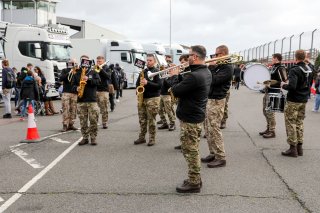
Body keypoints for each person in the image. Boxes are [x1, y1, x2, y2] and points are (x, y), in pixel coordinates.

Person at [168, 45, 211, 193]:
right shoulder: (205, 72)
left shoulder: (194, 76)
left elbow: (175, 90)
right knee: (192, 148)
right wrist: (180, 74)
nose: (188, 57)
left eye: (190, 55)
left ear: (196, 57)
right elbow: (187, 86)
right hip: (195, 115)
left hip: (190, 117)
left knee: (190, 150)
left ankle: (194, 182)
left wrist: (173, 75)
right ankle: (195, 179)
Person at [202, 45, 233, 168]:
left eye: (217, 54)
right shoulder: (219, 66)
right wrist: (212, 66)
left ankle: (221, 157)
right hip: (210, 99)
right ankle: (212, 153)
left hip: (217, 100)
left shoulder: (228, 67)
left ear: (223, 54)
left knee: (215, 128)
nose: (214, 56)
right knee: (208, 128)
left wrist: (211, 66)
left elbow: (213, 80)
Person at [280, 50, 313, 157]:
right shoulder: (309, 69)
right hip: (303, 100)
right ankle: (300, 148)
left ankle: (292, 148)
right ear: (304, 57)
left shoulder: (295, 70)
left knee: (290, 123)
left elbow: (292, 86)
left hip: (293, 100)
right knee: (299, 123)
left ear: (296, 57)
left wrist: (283, 85)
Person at [134, 54, 162, 146]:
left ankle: (152, 138)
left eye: (150, 60)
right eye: (147, 60)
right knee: (142, 120)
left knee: (151, 120)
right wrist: (138, 88)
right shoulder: (143, 71)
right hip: (143, 98)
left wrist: (147, 83)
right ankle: (142, 137)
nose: (148, 62)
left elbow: (159, 86)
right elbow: (137, 83)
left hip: (153, 98)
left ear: (154, 62)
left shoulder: (157, 72)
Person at [74, 55, 101, 146]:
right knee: (83, 121)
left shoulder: (93, 71)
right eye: (83, 61)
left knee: (93, 120)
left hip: (91, 100)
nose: (84, 62)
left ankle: (93, 137)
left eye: (86, 61)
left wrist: (89, 78)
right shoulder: (77, 72)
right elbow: (72, 85)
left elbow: (98, 82)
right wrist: (76, 88)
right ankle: (85, 138)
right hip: (81, 100)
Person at [259, 53, 287, 139]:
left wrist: (272, 83)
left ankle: (272, 131)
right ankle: (268, 128)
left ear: (276, 58)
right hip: (268, 91)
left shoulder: (280, 68)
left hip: (274, 92)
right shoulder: (273, 67)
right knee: (265, 111)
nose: (272, 59)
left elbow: (284, 80)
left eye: (273, 58)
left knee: (270, 112)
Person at [173, 54, 189, 150]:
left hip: (187, 102)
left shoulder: (189, 73)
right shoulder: (184, 71)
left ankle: (186, 145)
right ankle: (183, 142)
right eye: (181, 62)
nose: (181, 64)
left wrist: (175, 75)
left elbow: (179, 87)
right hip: (182, 101)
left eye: (183, 62)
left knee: (186, 126)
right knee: (182, 124)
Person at [59, 59, 78, 131]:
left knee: (73, 109)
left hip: (74, 93)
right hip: (66, 92)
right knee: (65, 108)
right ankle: (65, 124)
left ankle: (71, 124)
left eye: (74, 63)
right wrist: (70, 72)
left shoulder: (77, 71)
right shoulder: (64, 70)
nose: (72, 64)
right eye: (71, 63)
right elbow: (61, 78)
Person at [96, 56, 111, 129]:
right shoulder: (95, 67)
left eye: (100, 61)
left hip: (104, 91)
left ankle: (104, 122)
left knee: (104, 108)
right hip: (95, 90)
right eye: (98, 61)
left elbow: (108, 76)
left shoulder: (107, 68)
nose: (98, 63)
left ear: (103, 61)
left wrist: (101, 69)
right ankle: (95, 122)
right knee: (95, 108)